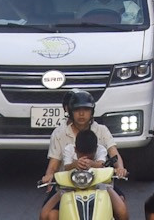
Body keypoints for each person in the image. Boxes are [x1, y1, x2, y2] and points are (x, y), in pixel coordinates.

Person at [38, 92, 128, 220]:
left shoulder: (102, 130)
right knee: (49, 215)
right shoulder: (59, 133)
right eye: (77, 110)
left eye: (86, 109)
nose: (81, 114)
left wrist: (120, 168)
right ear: (70, 112)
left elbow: (114, 154)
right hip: (67, 184)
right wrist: (48, 176)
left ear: (92, 112)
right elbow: (53, 165)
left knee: (122, 211)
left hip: (100, 181)